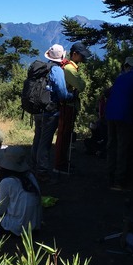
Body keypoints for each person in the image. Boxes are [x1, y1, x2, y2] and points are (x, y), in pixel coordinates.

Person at [31, 44, 74, 184]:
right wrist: (70, 96)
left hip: (37, 110)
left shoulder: (42, 68)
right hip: (49, 111)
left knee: (37, 139)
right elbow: (62, 93)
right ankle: (42, 173)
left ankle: (33, 168)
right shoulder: (57, 71)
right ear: (62, 57)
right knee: (45, 143)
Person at [105, 59, 133, 188]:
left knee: (111, 144)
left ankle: (109, 175)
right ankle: (119, 180)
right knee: (122, 147)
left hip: (110, 114)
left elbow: (110, 93)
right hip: (124, 116)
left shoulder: (121, 78)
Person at [53, 42, 92, 172]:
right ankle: (60, 164)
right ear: (74, 54)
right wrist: (81, 82)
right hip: (67, 107)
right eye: (81, 55)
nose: (83, 58)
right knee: (64, 136)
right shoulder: (70, 69)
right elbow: (81, 86)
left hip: (67, 106)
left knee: (65, 135)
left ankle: (62, 162)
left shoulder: (69, 67)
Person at [0, 146, 43, 236]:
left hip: (16, 227)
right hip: (34, 225)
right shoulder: (29, 176)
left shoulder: (7, 182)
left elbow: (0, 210)